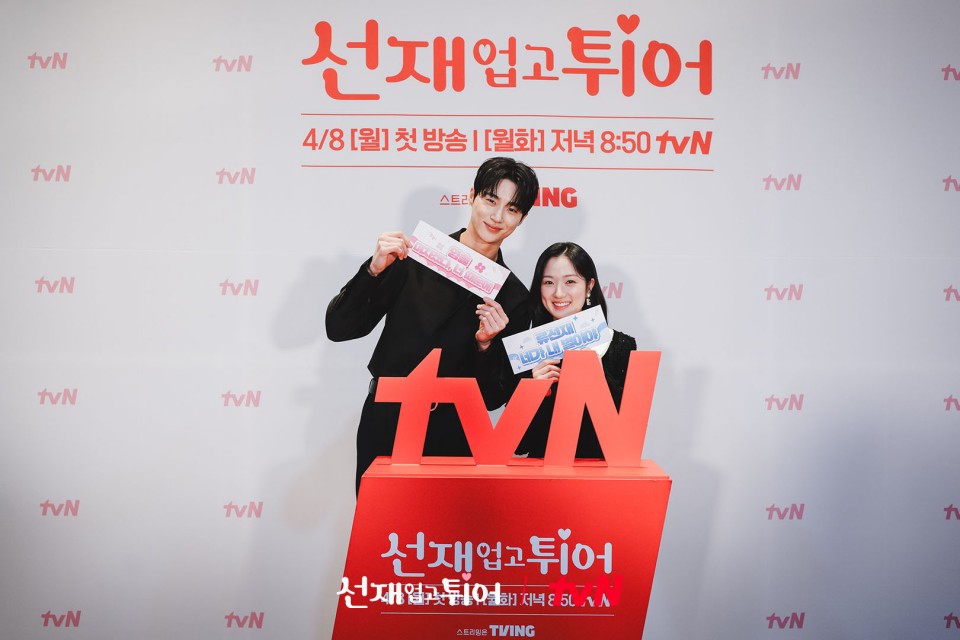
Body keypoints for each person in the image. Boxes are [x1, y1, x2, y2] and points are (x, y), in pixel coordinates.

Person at [326, 157, 539, 494]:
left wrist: (485, 345)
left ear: (522, 218)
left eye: (511, 209)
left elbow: (492, 397)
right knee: (380, 524)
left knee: (443, 529)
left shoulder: (513, 297)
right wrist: (372, 271)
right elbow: (339, 328)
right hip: (387, 419)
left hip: (455, 431)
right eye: (490, 200)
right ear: (471, 196)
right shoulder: (415, 257)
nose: (497, 217)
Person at [515, 242, 637, 459]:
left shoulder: (621, 346)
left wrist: (599, 374)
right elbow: (519, 444)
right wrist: (535, 391)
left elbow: (628, 434)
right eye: (549, 282)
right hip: (542, 473)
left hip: (601, 474)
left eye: (570, 281)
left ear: (589, 286)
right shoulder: (529, 350)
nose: (558, 293)